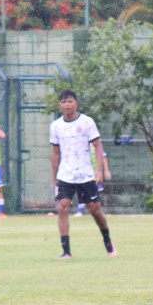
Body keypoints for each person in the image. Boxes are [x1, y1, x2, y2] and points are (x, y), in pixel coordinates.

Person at [50, 90, 114, 258]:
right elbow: (56, 153)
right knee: (63, 207)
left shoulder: (87, 122)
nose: (67, 105)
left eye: (70, 101)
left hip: (86, 174)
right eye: (64, 102)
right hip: (65, 174)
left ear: (76, 103)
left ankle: (107, 242)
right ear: (60, 106)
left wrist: (98, 169)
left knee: (94, 210)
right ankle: (66, 251)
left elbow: (98, 146)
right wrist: (54, 177)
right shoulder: (56, 126)